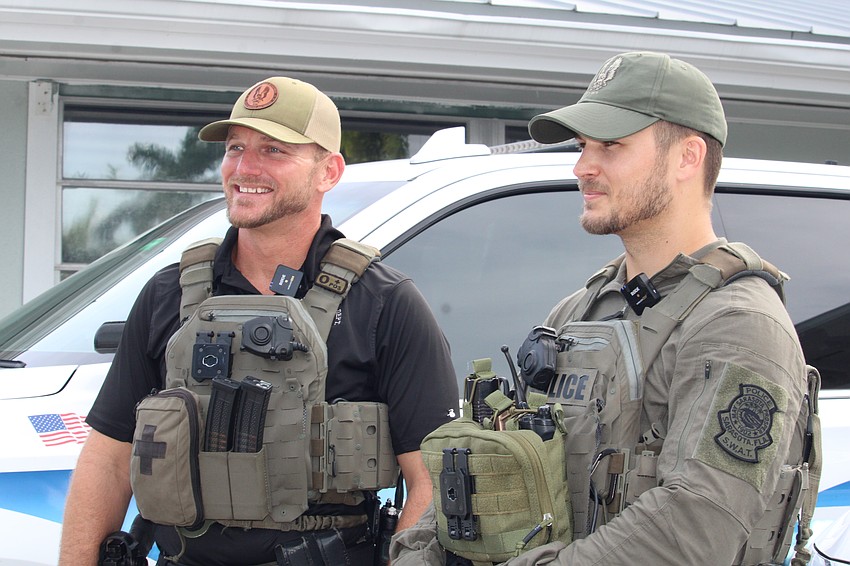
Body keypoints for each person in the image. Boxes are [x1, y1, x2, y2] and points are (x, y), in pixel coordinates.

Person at [392, 51, 816, 565]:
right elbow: (492, 463)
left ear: (688, 156)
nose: (582, 167)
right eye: (582, 146)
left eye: (611, 146)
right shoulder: (577, 314)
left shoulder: (741, 325)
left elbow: (695, 529)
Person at [59, 76, 460, 566]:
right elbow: (109, 457)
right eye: (235, 148)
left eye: (273, 150)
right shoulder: (169, 294)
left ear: (328, 171)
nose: (244, 167)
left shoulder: (384, 304)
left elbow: (430, 481)